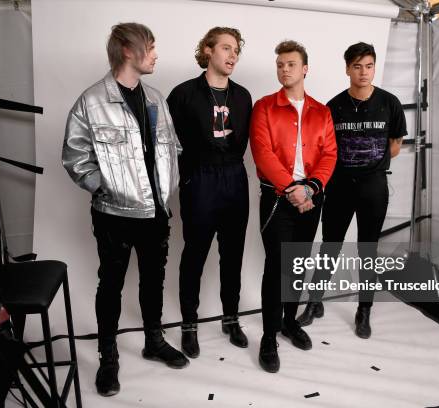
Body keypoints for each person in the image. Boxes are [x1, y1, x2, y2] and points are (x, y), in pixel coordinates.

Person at [62, 22, 188, 397]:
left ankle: (154, 340)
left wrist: (166, 190)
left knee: (153, 280)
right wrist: (108, 189)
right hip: (113, 215)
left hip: (156, 214)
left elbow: (173, 147)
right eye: (150, 47)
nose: (155, 54)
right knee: (111, 285)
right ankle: (108, 357)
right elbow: (75, 157)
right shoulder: (91, 100)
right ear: (128, 51)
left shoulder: (156, 99)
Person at [297, 42, 407, 339]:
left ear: (374, 67)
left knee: (368, 249)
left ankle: (364, 310)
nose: (363, 72)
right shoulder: (333, 106)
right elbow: (323, 148)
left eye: (368, 66)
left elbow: (395, 145)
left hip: (374, 186)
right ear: (347, 69)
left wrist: (369, 162)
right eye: (357, 66)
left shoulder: (389, 103)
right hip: (340, 186)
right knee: (330, 245)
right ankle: (314, 302)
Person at [250, 40, 337, 373]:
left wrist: (311, 188)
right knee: (277, 267)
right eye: (280, 64)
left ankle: (288, 322)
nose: (284, 69)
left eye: (290, 64)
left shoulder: (321, 111)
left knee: (298, 264)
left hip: (312, 198)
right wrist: (292, 190)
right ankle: (269, 337)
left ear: (305, 69)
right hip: (277, 199)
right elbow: (263, 153)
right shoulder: (264, 107)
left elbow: (329, 154)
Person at [167, 27, 252, 359]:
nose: (232, 56)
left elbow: (244, 142)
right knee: (195, 254)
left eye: (236, 51)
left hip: (234, 176)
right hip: (199, 178)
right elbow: (168, 146)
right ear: (207, 50)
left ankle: (231, 319)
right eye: (226, 48)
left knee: (233, 255)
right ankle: (189, 324)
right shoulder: (183, 94)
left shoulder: (243, 96)